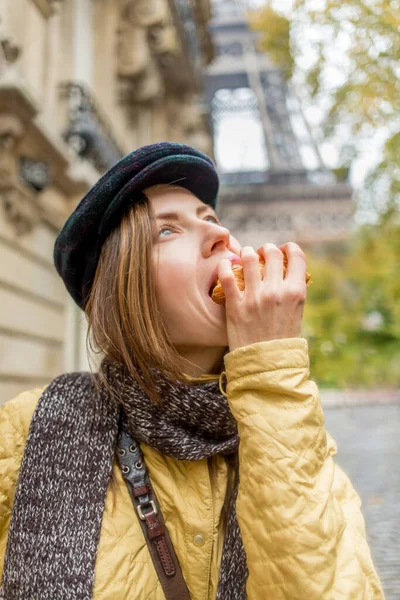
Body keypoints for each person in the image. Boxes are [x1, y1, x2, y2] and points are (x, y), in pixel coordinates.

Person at [0, 142, 384, 599]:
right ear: (122, 291)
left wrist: (271, 375)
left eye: (211, 218)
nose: (220, 236)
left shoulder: (300, 440)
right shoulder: (28, 429)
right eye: (166, 231)